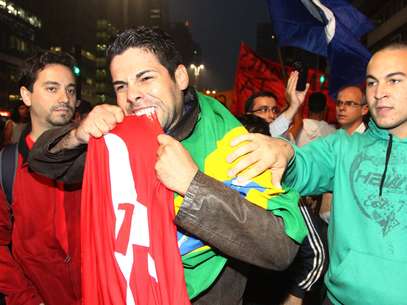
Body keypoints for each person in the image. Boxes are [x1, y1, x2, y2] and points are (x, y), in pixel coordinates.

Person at [28, 27, 308, 305]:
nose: (132, 95)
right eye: (121, 86)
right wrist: (78, 134)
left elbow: (279, 248)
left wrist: (193, 186)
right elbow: (42, 161)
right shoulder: (123, 134)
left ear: (180, 77)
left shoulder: (227, 140)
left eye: (145, 78)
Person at [226, 42, 407, 305]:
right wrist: (283, 152)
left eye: (394, 80)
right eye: (372, 82)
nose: (379, 93)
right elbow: (301, 165)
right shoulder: (343, 145)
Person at [0, 51, 81, 305]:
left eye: (70, 90)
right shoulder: (7, 166)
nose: (64, 98)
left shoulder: (96, 157)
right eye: (51, 88)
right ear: (26, 95)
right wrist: (26, 300)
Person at [245, 72, 307, 139]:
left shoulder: (282, 139)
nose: (271, 115)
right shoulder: (241, 137)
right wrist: (293, 106)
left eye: (274, 110)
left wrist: (294, 105)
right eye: (263, 110)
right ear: (249, 115)